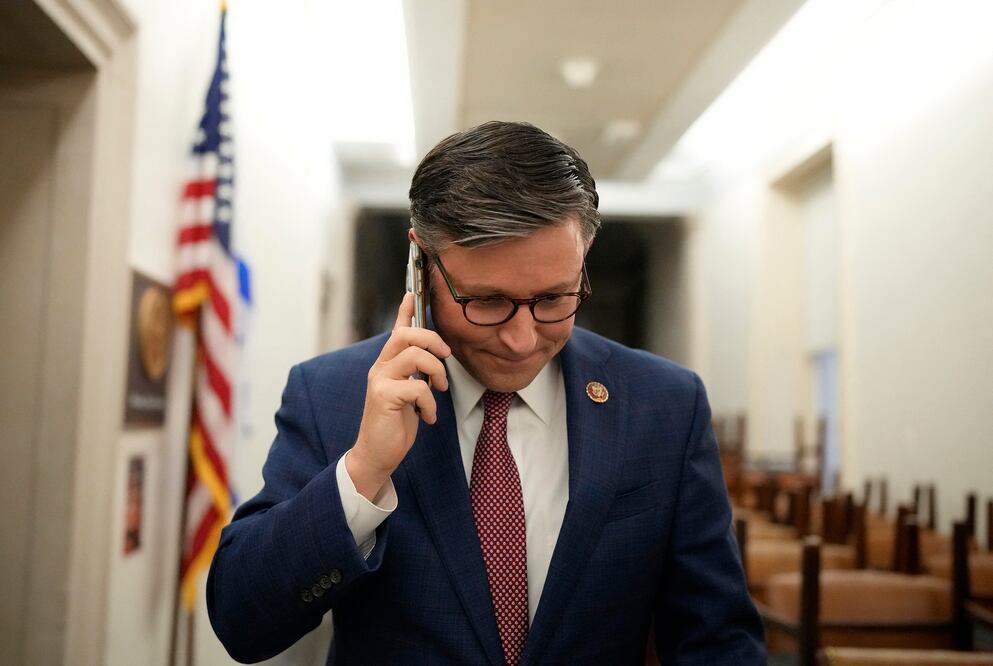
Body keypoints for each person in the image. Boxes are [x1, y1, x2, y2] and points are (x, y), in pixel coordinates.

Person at [207, 121, 765, 664]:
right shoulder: (331, 394)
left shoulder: (664, 404)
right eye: (487, 301)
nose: (522, 340)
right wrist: (362, 474)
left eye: (553, 298)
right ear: (420, 264)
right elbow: (242, 621)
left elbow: (716, 639)